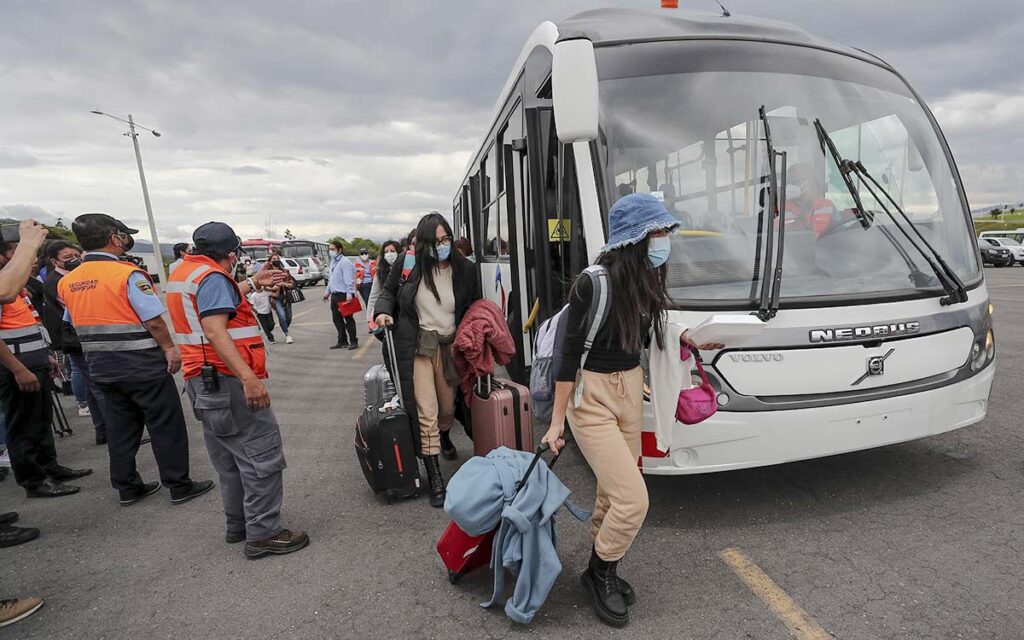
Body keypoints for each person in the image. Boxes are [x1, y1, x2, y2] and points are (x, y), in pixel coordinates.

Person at [540, 193, 723, 628]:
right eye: (658, 232)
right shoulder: (593, 283)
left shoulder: (646, 280)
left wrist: (690, 340)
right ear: (635, 238)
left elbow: (649, 337)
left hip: (628, 393)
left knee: (611, 493)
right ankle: (600, 572)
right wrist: (556, 422)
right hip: (592, 398)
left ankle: (602, 569)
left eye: (665, 233)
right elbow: (569, 357)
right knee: (633, 499)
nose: (664, 241)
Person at [168, 222, 309, 558]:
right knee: (262, 456)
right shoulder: (213, 278)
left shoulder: (186, 271)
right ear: (231, 255)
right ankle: (264, 534)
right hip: (227, 380)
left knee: (229, 460)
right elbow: (216, 330)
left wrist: (249, 283)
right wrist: (249, 379)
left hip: (201, 381)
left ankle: (239, 525)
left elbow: (214, 301)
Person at [59, 213, 214, 507]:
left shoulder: (69, 281)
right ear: (113, 238)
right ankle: (178, 485)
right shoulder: (127, 274)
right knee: (165, 425)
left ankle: (127, 487)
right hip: (141, 364)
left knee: (120, 429)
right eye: (122, 235)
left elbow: (72, 322)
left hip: (101, 368)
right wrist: (169, 348)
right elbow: (153, 321)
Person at [375, 212, 482, 508]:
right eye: (436, 241)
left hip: (450, 348)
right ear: (423, 244)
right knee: (426, 410)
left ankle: (444, 435)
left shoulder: (465, 270)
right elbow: (388, 293)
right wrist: (382, 312)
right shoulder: (409, 265)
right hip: (419, 346)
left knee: (448, 409)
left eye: (446, 238)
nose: (442, 245)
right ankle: (435, 475)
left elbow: (474, 305)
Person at [0, 224, 92, 498]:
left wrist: (47, 355)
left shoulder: (15, 282)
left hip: (35, 361)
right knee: (23, 426)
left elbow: (29, 321)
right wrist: (17, 369)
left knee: (41, 419)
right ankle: (34, 480)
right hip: (16, 368)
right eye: (22, 248)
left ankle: (50, 468)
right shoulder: (6, 284)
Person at [42, 242, 110, 444]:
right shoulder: (56, 281)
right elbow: (77, 306)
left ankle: (103, 430)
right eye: (67, 256)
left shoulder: (70, 277)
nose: (74, 258)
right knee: (98, 384)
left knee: (92, 386)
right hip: (76, 339)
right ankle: (115, 429)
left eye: (75, 254)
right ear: (55, 261)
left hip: (78, 337)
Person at [784, 163, 836, 237]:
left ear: (811, 181)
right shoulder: (783, 209)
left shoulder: (827, 206)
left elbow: (839, 235)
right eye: (790, 181)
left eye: (797, 180)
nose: (791, 185)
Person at [323, 240, 358, 350]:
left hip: (343, 295)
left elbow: (349, 280)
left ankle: (353, 341)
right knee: (336, 319)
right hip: (334, 295)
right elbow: (331, 279)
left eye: (333, 249)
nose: (331, 251)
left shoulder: (345, 262)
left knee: (348, 319)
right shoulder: (333, 262)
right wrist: (327, 293)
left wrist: (349, 294)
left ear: (340, 250)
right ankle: (342, 340)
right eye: (330, 249)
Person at [365, 240, 400, 334]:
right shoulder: (380, 272)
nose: (389, 254)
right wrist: (369, 318)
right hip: (387, 312)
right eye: (386, 252)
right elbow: (374, 295)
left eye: (392, 251)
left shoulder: (405, 269)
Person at [264, 257, 295, 344]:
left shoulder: (285, 271)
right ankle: (287, 334)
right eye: (274, 259)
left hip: (285, 296)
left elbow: (292, 284)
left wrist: (284, 284)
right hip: (274, 297)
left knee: (288, 317)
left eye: (277, 258)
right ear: (270, 262)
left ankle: (284, 327)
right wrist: (272, 288)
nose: (276, 260)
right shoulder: (267, 273)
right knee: (281, 315)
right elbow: (264, 286)